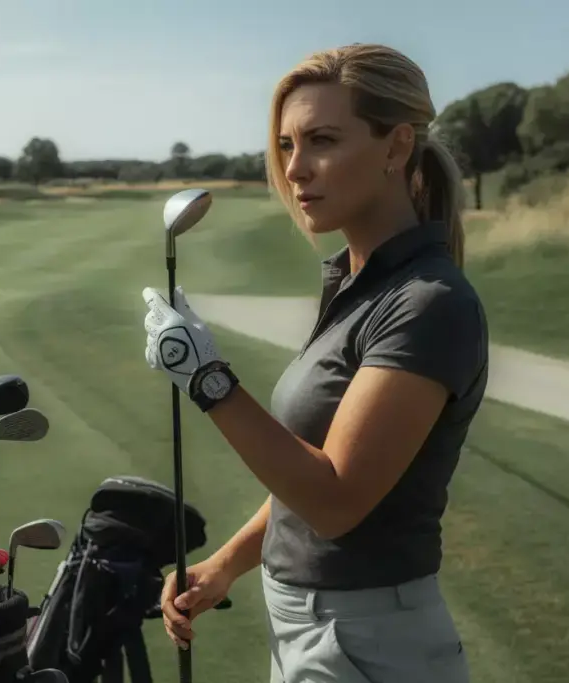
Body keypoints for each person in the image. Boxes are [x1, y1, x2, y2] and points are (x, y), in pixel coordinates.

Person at [141, 43, 489, 683]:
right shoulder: (360, 286)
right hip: (315, 631)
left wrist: (208, 380)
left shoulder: (428, 303)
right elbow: (305, 480)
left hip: (365, 643)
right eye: (286, 145)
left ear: (396, 146)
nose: (296, 169)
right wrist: (226, 564)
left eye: (322, 140)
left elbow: (336, 499)